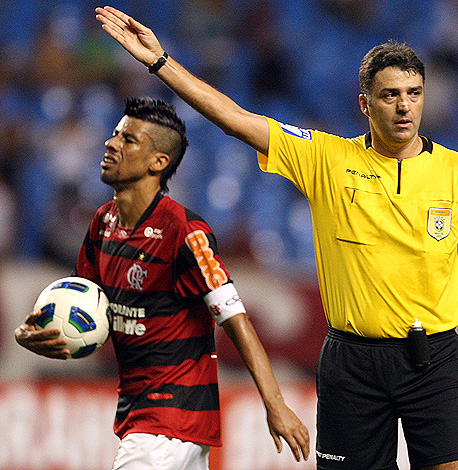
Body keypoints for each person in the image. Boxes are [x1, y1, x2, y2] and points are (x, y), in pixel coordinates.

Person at [94, 7, 458, 470]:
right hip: (352, 363)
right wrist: (160, 62)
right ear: (365, 103)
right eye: (390, 95)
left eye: (413, 94)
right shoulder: (327, 159)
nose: (404, 106)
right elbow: (235, 119)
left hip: (436, 360)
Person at [14, 97, 310, 470]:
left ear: (159, 162)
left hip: (168, 422)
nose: (111, 144)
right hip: (145, 419)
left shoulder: (186, 232)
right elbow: (89, 310)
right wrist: (38, 331)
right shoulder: (103, 222)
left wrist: (276, 405)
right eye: (115, 134)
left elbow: (236, 321)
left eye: (129, 140)